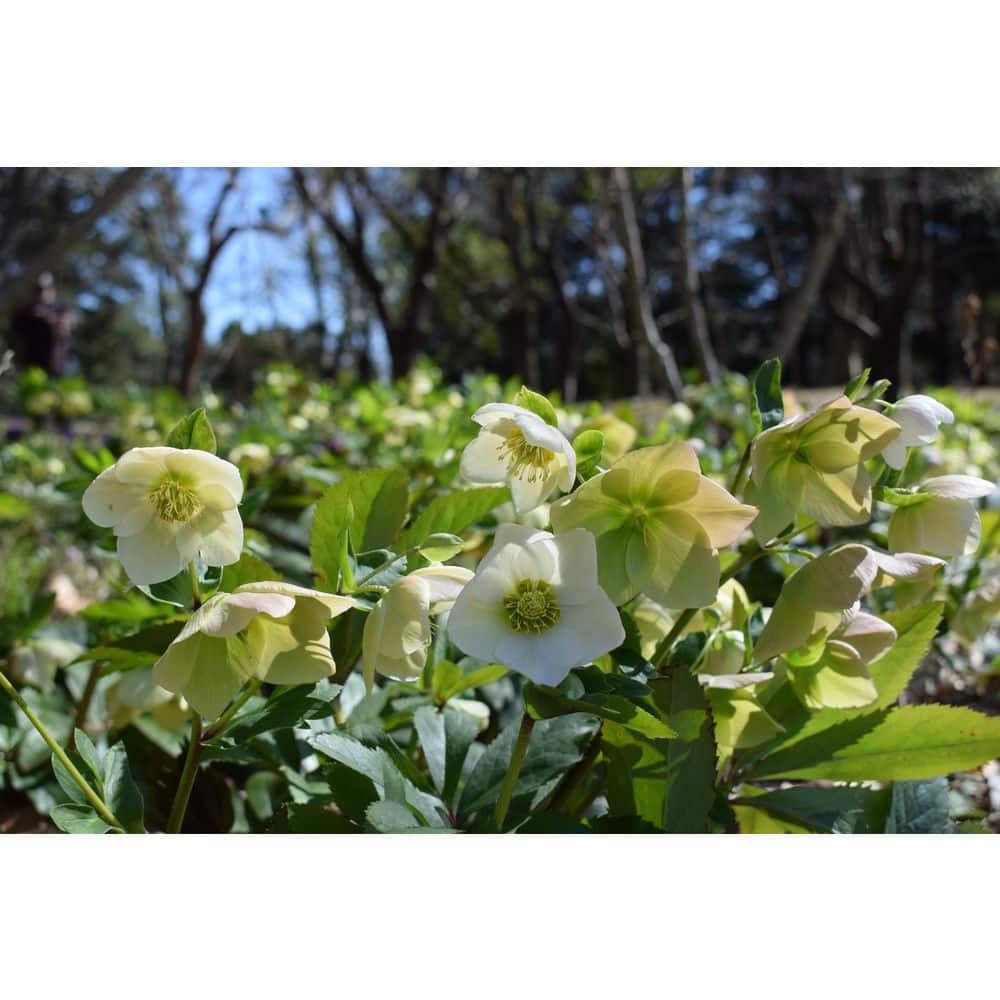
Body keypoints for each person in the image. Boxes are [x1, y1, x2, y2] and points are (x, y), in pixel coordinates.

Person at [10, 273, 75, 375]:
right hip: (32, 363)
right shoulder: (27, 310)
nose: (43, 293)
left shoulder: (61, 308)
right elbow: (16, 331)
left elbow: (68, 326)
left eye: (47, 289)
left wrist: (52, 320)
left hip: (59, 364)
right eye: (39, 290)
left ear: (53, 290)